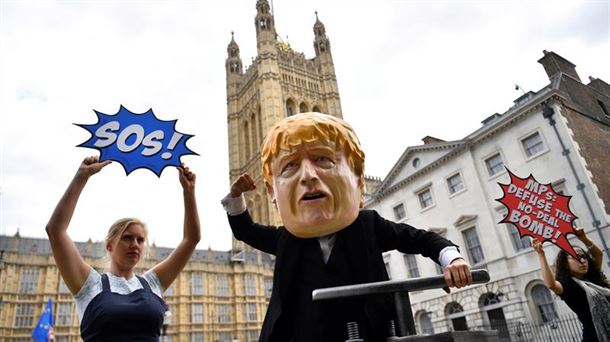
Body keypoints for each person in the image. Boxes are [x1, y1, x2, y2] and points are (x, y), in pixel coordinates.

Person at [221, 112, 473, 342]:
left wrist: (451, 259)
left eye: (323, 159)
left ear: (357, 177)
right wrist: (236, 197)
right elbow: (246, 231)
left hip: (367, 334)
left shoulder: (368, 225)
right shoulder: (286, 239)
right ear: (272, 192)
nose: (308, 175)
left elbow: (420, 239)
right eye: (290, 165)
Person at [46, 156, 201, 341]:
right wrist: (81, 177)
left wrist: (189, 192)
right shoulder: (90, 285)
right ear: (109, 245)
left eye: (140, 240)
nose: (135, 244)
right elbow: (55, 230)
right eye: (127, 238)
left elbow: (191, 239)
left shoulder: (152, 284)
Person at [533, 228, 610, 342]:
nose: (582, 260)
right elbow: (551, 284)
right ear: (565, 263)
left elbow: (598, 255)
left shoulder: (592, 278)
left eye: (584, 256)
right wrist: (541, 254)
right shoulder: (568, 285)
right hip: (595, 337)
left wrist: (583, 238)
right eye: (576, 257)